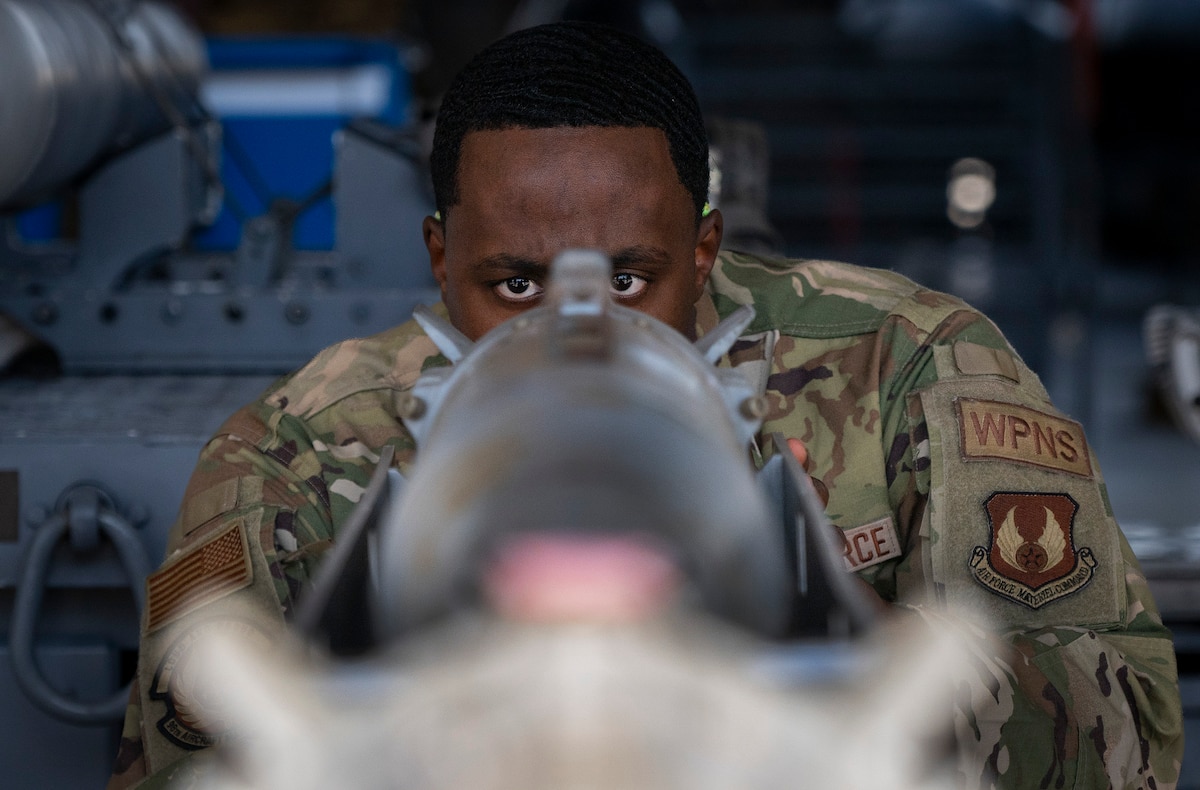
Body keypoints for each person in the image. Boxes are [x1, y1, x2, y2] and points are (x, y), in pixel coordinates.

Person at [108, 21, 1183, 790]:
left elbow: (1122, 733)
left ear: (707, 246)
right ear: (440, 259)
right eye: (514, 283)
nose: (580, 316)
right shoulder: (303, 443)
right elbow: (178, 756)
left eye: (633, 276)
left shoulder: (910, 364)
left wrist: (866, 676)